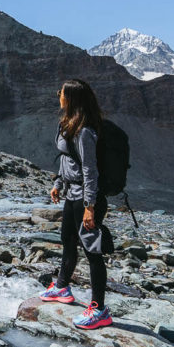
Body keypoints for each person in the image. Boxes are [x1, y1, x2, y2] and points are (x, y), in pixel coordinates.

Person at [38, 78, 115, 330]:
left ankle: (99, 309)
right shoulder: (67, 125)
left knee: (93, 253)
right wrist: (58, 184)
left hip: (86, 198)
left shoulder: (85, 132)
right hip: (71, 194)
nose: (58, 94)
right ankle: (61, 287)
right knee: (67, 241)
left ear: (70, 98)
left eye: (61, 92)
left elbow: (90, 170)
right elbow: (67, 160)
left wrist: (90, 207)